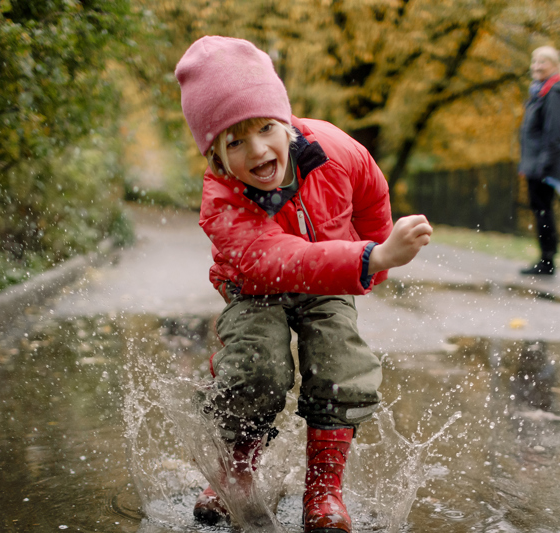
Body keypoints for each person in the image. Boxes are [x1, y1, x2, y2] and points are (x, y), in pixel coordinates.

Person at [175, 35, 433, 532]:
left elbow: (371, 195)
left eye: (265, 128)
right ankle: (235, 472)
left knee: (341, 362)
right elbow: (276, 259)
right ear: (215, 156)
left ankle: (324, 491)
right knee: (256, 367)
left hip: (331, 278)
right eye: (234, 141)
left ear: (286, 120)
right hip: (254, 287)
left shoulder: (336, 150)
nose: (257, 150)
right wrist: (371, 256)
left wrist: (376, 258)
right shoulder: (222, 199)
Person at [518, 46, 560, 276]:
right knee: (540, 209)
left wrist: (542, 165)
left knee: (543, 210)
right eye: (535, 62)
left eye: (543, 62)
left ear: (554, 65)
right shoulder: (541, 91)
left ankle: (548, 261)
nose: (537, 66)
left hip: (544, 165)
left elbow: (555, 133)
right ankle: (546, 258)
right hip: (536, 163)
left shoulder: (555, 93)